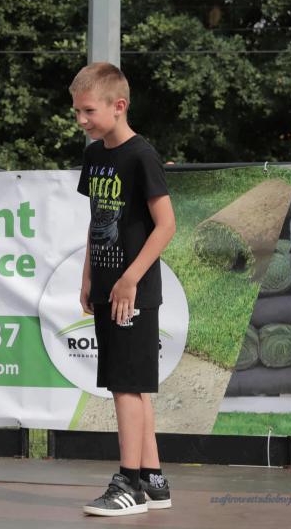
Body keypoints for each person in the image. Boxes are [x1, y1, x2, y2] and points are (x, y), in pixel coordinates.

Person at [72, 62, 176, 517]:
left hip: (132, 293)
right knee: (132, 386)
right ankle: (153, 480)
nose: (81, 120)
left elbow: (166, 225)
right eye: (77, 112)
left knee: (126, 388)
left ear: (118, 106)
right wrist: (88, 274)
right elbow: (98, 219)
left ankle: (128, 484)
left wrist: (130, 278)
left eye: (88, 111)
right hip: (106, 287)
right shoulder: (95, 156)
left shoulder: (141, 156)